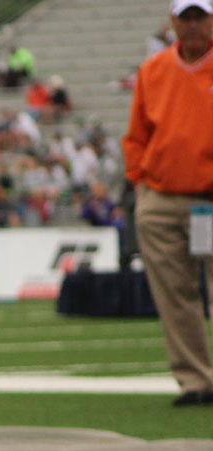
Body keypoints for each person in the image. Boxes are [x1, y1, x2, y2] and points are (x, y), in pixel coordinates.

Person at [123, 0, 213, 407]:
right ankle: (195, 379)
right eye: (186, 17)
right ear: (173, 21)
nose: (193, 25)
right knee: (174, 295)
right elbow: (136, 134)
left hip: (210, 197)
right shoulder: (152, 70)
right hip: (162, 197)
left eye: (201, 16)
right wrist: (141, 180)